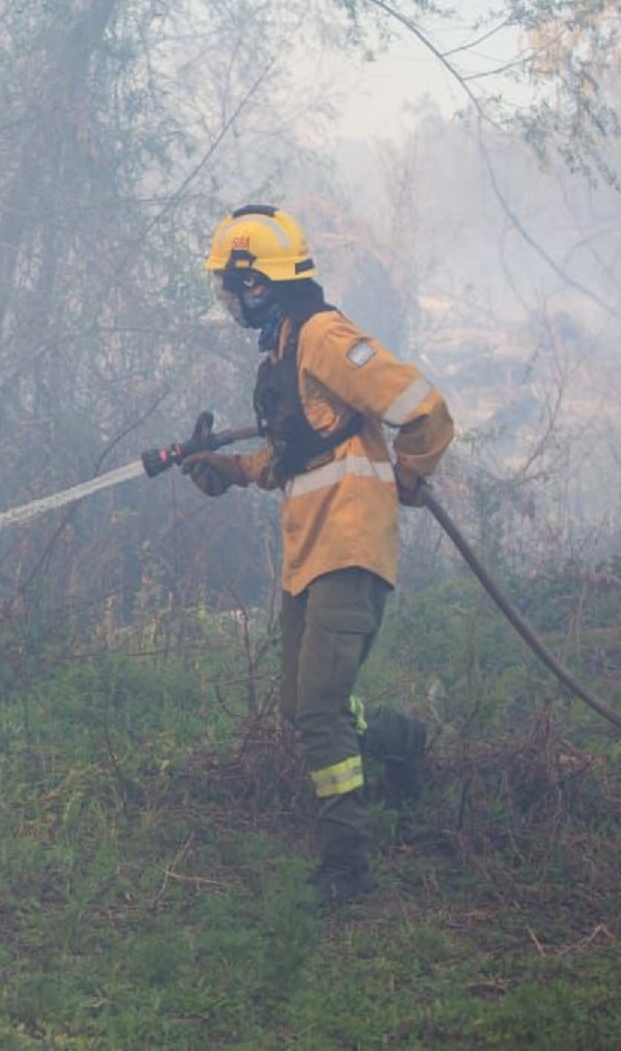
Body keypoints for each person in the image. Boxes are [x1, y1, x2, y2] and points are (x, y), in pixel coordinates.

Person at [181, 204, 453, 905]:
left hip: (349, 545)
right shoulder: (285, 352)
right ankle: (405, 743)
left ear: (260, 283)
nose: (230, 301)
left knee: (321, 711)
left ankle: (346, 866)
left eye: (234, 286)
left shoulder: (325, 338)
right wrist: (227, 470)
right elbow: (294, 457)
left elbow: (423, 407)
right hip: (310, 550)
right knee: (303, 706)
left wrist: (412, 472)